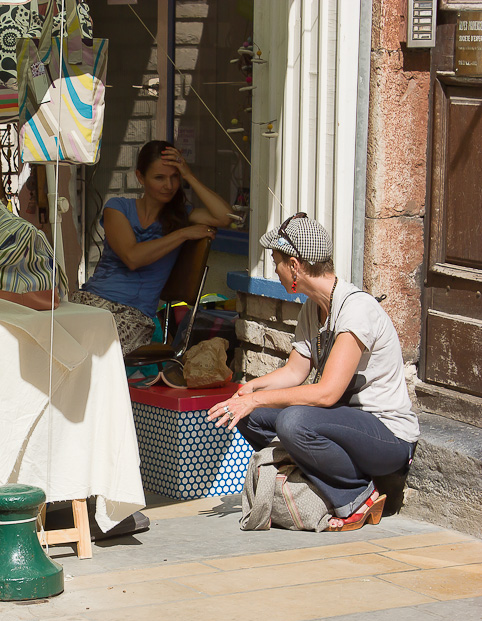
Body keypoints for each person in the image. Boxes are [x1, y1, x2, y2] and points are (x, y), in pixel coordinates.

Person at [207, 213, 419, 532]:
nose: (274, 269)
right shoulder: (314, 307)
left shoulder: (355, 310)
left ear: (294, 265)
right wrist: (250, 391)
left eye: (276, 261)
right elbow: (295, 371)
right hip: (341, 423)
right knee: (249, 414)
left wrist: (260, 400)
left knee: (293, 421)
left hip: (386, 438)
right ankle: (323, 481)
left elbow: (327, 393)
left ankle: (357, 495)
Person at [71, 140, 234, 357]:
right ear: (140, 177)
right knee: (52, 338)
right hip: (91, 302)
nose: (169, 185)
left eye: (174, 177)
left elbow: (226, 217)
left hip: (132, 316)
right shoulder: (118, 207)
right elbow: (133, 257)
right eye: (159, 177)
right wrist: (183, 233)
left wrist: (189, 176)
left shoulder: (182, 215)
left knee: (80, 349)